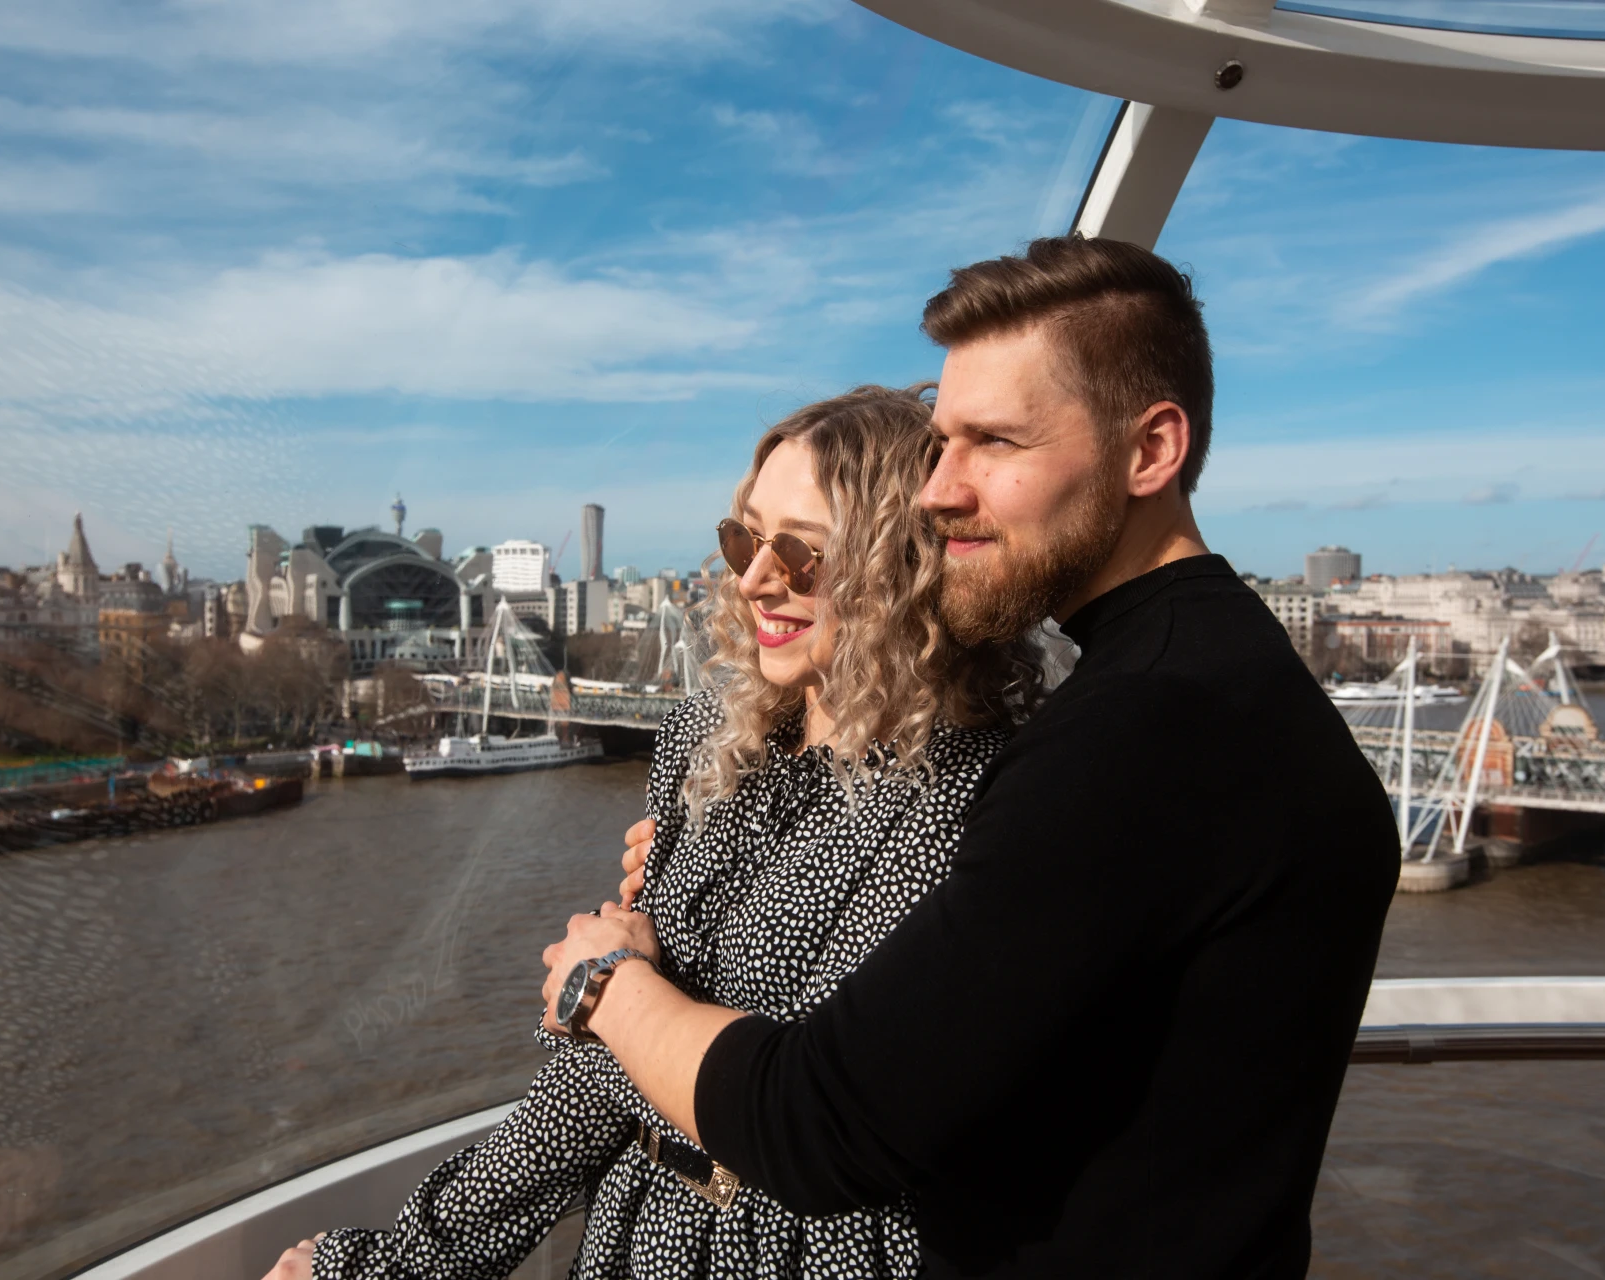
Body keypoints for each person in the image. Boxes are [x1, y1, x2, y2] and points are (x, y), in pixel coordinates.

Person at [540, 235, 1400, 1278]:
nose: (939, 490)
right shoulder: (1211, 675)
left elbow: (826, 1122)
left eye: (992, 442)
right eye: (941, 442)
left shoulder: (1146, 726)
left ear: (1151, 450)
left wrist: (610, 981)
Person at [264, 385, 1044, 1280]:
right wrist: (405, 1263)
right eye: (746, 537)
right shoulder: (713, 740)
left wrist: (613, 986)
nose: (754, 577)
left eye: (803, 550)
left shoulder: (970, 802)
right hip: (641, 1234)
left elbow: (814, 1108)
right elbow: (605, 1073)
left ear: (903, 565)